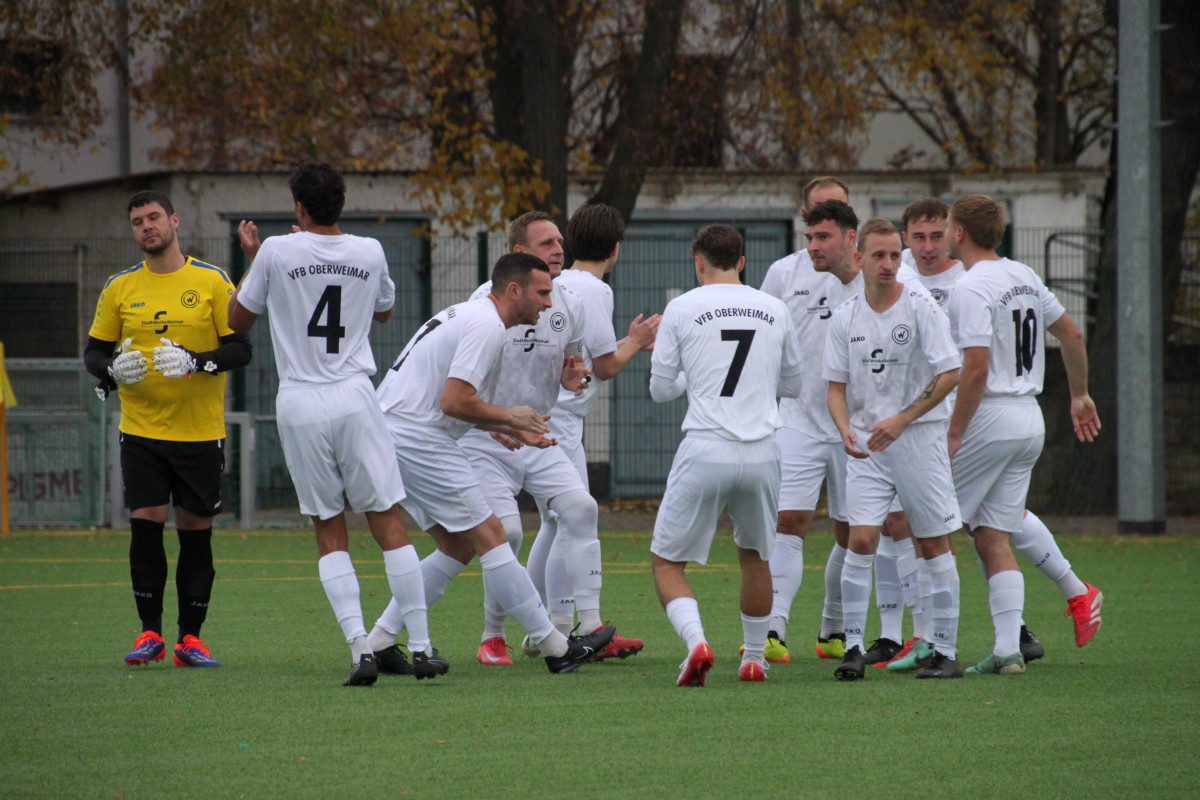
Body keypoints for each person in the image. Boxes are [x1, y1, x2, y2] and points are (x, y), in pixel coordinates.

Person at [228, 163, 443, 686]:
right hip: (354, 395)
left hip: (301, 400)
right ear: (342, 204)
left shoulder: (276, 251)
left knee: (329, 528)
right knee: (389, 524)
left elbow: (237, 320)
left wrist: (257, 263)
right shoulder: (369, 251)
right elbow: (386, 312)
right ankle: (421, 647)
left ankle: (358, 651)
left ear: (299, 207)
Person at [367, 251, 615, 673]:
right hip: (417, 438)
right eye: (541, 293)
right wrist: (509, 416)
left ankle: (380, 640)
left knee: (458, 545)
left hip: (397, 431)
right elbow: (453, 400)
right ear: (514, 290)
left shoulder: (476, 315)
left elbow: (451, 400)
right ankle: (556, 647)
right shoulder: (486, 324)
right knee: (494, 536)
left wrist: (502, 427)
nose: (549, 304)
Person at [883, 197, 1102, 671]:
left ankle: (931, 642)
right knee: (991, 533)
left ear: (958, 233)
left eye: (944, 232)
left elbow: (976, 369)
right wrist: (1079, 394)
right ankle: (1007, 650)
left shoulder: (970, 287)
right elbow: (1072, 336)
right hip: (1030, 417)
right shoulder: (1022, 275)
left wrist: (956, 432)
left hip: (991, 417)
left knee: (924, 525)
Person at [459, 210, 641, 666]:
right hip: (490, 439)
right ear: (518, 255)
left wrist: (571, 376)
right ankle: (492, 635)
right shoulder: (485, 304)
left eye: (560, 241)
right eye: (547, 244)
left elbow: (571, 368)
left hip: (540, 433)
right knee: (509, 533)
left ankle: (591, 627)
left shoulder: (568, 302)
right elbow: (463, 383)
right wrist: (494, 422)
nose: (559, 249)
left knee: (581, 509)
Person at [85, 190, 252, 669]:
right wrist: (112, 370)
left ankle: (190, 640)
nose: (147, 226)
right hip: (141, 432)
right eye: (137, 221)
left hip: (199, 433)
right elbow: (93, 353)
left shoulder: (212, 281)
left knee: (195, 531)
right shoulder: (120, 288)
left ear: (174, 221)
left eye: (154, 217)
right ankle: (149, 634)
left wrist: (197, 363)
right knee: (146, 525)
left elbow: (240, 349)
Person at [650, 224, 803, 686]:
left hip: (706, 446)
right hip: (762, 451)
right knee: (756, 556)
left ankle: (697, 643)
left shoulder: (681, 307)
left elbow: (660, 391)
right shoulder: (775, 308)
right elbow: (793, 386)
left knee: (666, 561)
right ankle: (754, 658)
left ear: (698, 262)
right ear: (741, 262)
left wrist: (691, 383)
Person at [823, 219, 965, 680]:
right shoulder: (845, 316)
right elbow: (835, 388)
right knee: (861, 539)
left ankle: (945, 650)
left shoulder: (921, 307)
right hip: (867, 447)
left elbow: (950, 373)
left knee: (930, 542)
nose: (889, 264)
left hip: (918, 441)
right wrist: (845, 429)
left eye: (894, 255)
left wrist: (904, 419)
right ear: (858, 258)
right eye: (879, 255)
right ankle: (854, 648)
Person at [519, 205, 659, 662]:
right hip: (558, 421)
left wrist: (627, 341)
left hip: (547, 416)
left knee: (554, 525)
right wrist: (636, 342)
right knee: (573, 519)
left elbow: (591, 356)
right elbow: (603, 367)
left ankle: (540, 626)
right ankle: (568, 628)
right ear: (616, 249)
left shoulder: (564, 284)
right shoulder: (595, 290)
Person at [757, 179, 862, 663]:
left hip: (855, 424)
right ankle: (774, 626)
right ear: (805, 214)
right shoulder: (783, 273)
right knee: (790, 521)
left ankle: (832, 627)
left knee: (851, 532)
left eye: (836, 210)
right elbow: (763, 338)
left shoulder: (872, 275)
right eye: (818, 214)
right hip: (797, 417)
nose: (823, 224)